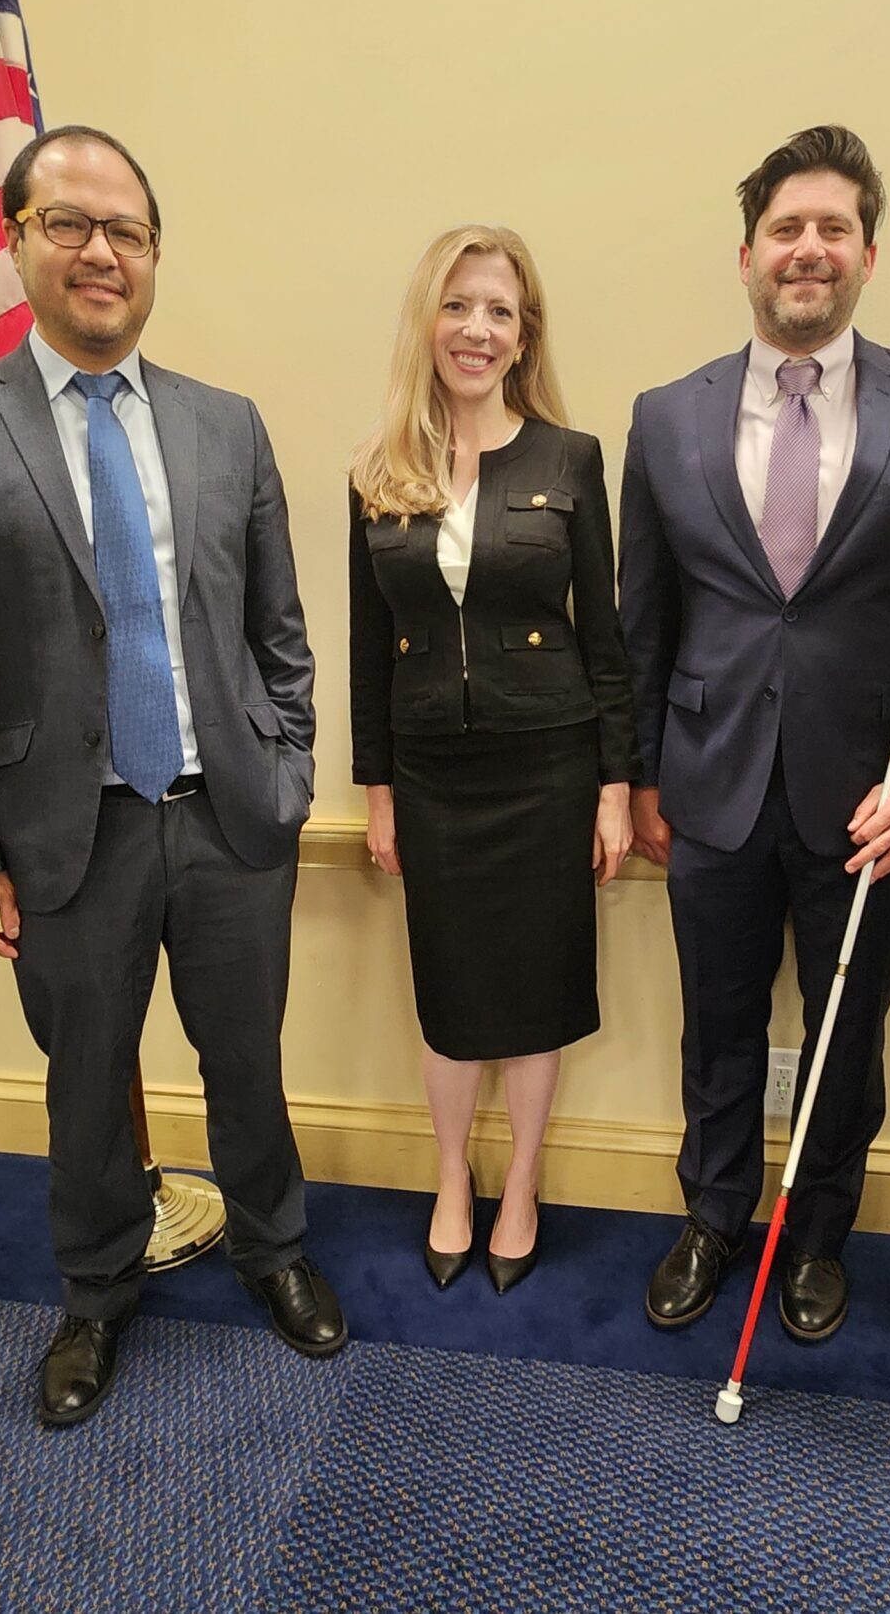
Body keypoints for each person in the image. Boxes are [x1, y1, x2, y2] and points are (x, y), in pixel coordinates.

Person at [0, 124, 343, 1434]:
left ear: (152, 256)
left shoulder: (225, 423)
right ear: (17, 240)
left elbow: (280, 629)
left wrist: (288, 765)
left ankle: (275, 1246)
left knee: (245, 1057)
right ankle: (94, 1287)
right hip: (62, 831)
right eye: (69, 223)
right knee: (86, 1077)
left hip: (226, 815)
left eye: (126, 230)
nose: (100, 251)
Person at [618, 126, 890, 1343]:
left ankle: (819, 1234)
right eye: (786, 228)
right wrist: (635, 776)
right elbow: (645, 618)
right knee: (717, 1024)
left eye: (831, 228)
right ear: (746, 254)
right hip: (709, 787)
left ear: (867, 254)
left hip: (868, 801)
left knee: (846, 1035)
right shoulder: (664, 415)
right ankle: (713, 1215)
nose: (808, 248)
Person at [347, 226, 636, 1295]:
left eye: (500, 311)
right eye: (459, 305)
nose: (477, 328)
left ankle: (518, 1184)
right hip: (430, 776)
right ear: (430, 319)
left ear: (525, 335)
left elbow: (603, 637)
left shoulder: (570, 458)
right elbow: (368, 649)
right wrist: (375, 789)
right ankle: (451, 1182)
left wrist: (613, 785)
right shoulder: (377, 470)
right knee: (451, 992)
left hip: (549, 769)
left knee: (536, 988)